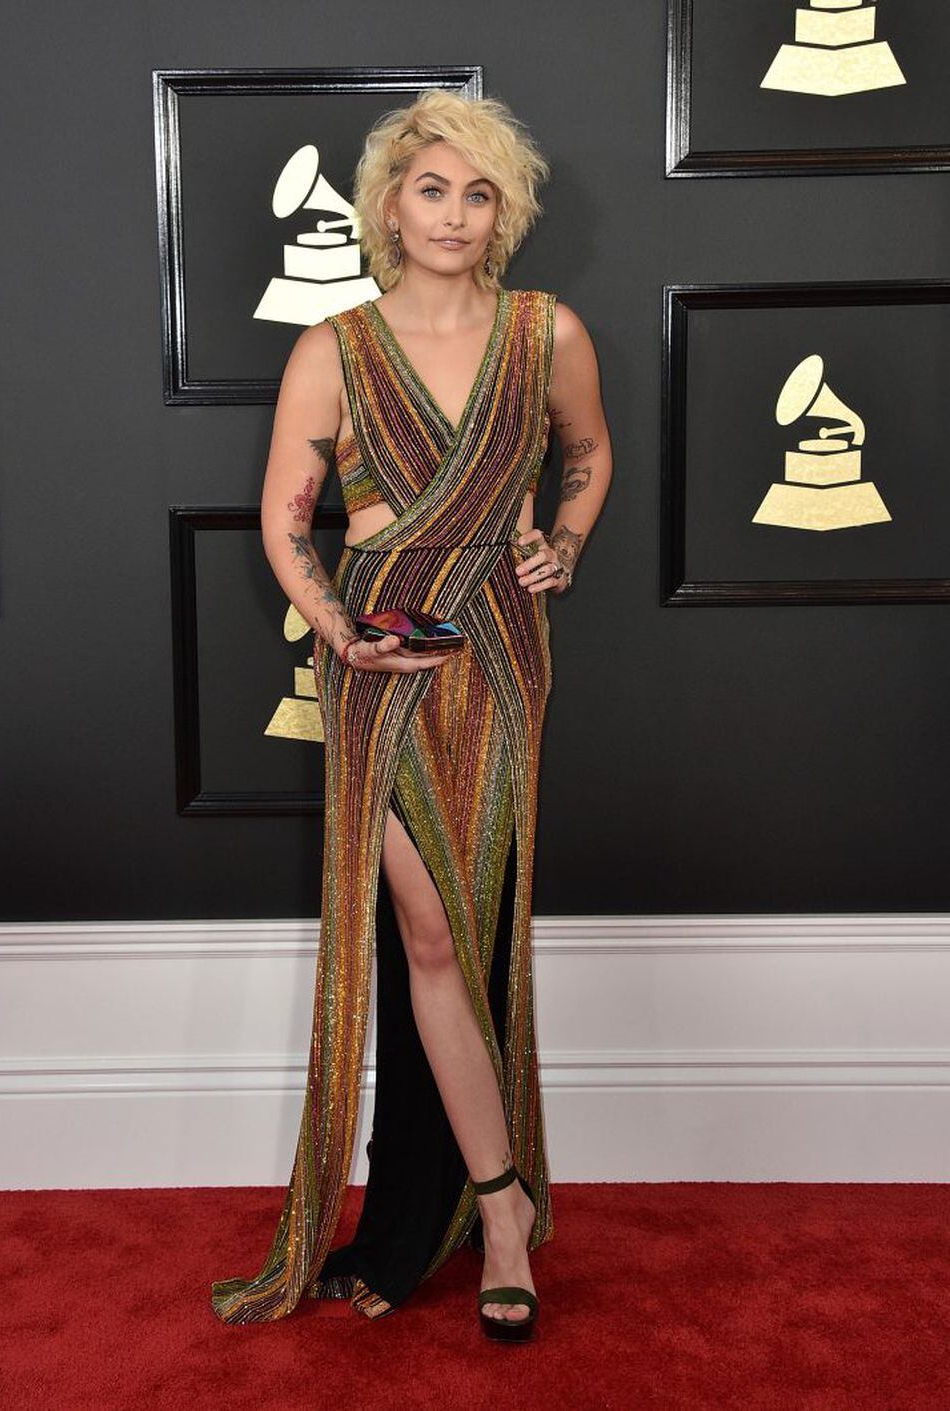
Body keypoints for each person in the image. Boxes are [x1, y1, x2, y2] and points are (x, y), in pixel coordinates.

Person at [211, 87, 613, 1339]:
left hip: (499, 646)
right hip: (384, 652)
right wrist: (339, 633)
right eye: (431, 188)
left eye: (477, 191)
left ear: (505, 213)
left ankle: (489, 1206)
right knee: (428, 933)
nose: (451, 211)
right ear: (391, 204)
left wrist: (565, 538)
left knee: (478, 922)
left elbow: (587, 451)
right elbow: (286, 519)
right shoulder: (333, 346)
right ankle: (502, 1206)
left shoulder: (547, 332)